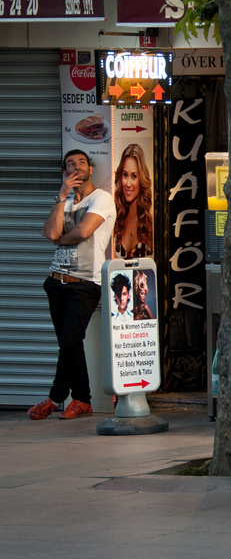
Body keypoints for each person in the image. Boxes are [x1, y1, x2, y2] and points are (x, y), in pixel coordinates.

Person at [28, 149, 115, 420]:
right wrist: (61, 196)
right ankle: (82, 400)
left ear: (90, 168)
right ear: (64, 172)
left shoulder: (102, 198)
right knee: (70, 344)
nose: (76, 167)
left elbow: (84, 231)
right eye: (69, 164)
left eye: (80, 162)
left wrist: (59, 239)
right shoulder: (63, 202)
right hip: (56, 282)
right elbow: (51, 231)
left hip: (86, 283)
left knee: (69, 340)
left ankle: (55, 398)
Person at [113, 143, 153, 258]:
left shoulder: (149, 215)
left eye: (134, 176)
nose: (128, 184)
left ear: (142, 179)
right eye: (125, 175)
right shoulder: (117, 213)